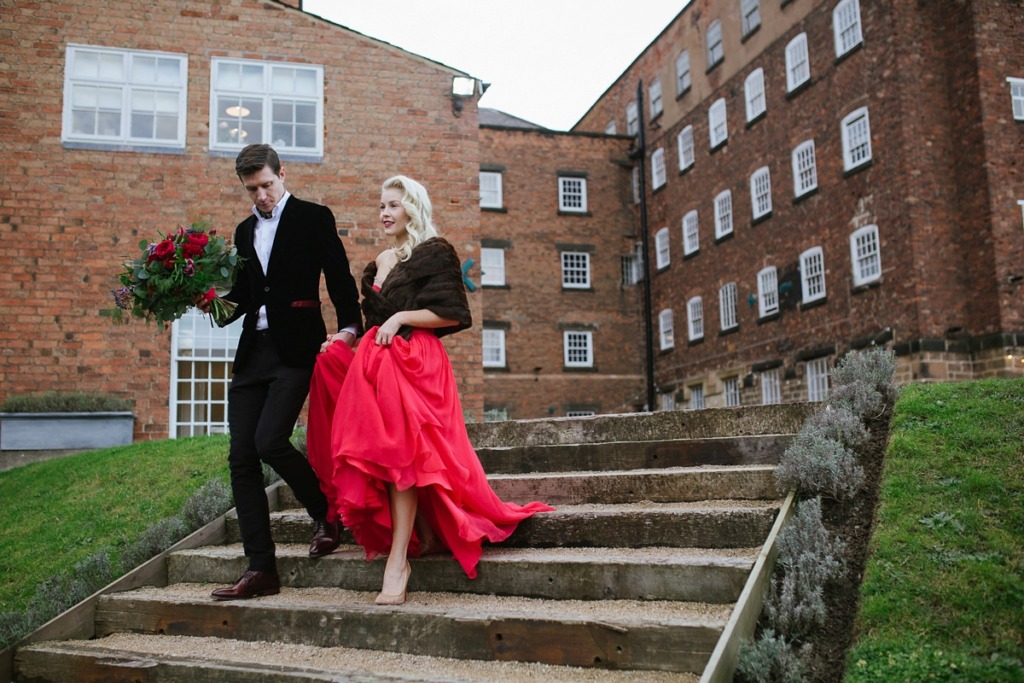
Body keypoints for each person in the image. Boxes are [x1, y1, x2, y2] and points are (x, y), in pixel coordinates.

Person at [319, 175, 553, 606]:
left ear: (413, 207)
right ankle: (421, 535)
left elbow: (452, 313)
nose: (384, 212)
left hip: (416, 362)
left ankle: (397, 562)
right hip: (377, 364)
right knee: (388, 456)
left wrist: (399, 317)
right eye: (381, 205)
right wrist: (346, 340)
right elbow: (372, 320)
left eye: (393, 204)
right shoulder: (380, 260)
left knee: (404, 455)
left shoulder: (435, 251)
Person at [205, 144, 362, 601]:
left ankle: (324, 511)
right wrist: (210, 301)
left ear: (282, 174)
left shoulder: (314, 217)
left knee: (270, 440)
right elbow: (241, 298)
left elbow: (339, 278)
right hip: (253, 353)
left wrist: (349, 329)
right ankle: (260, 569)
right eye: (252, 189)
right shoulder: (243, 231)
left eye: (267, 185)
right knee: (241, 458)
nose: (261, 196)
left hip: (298, 349)